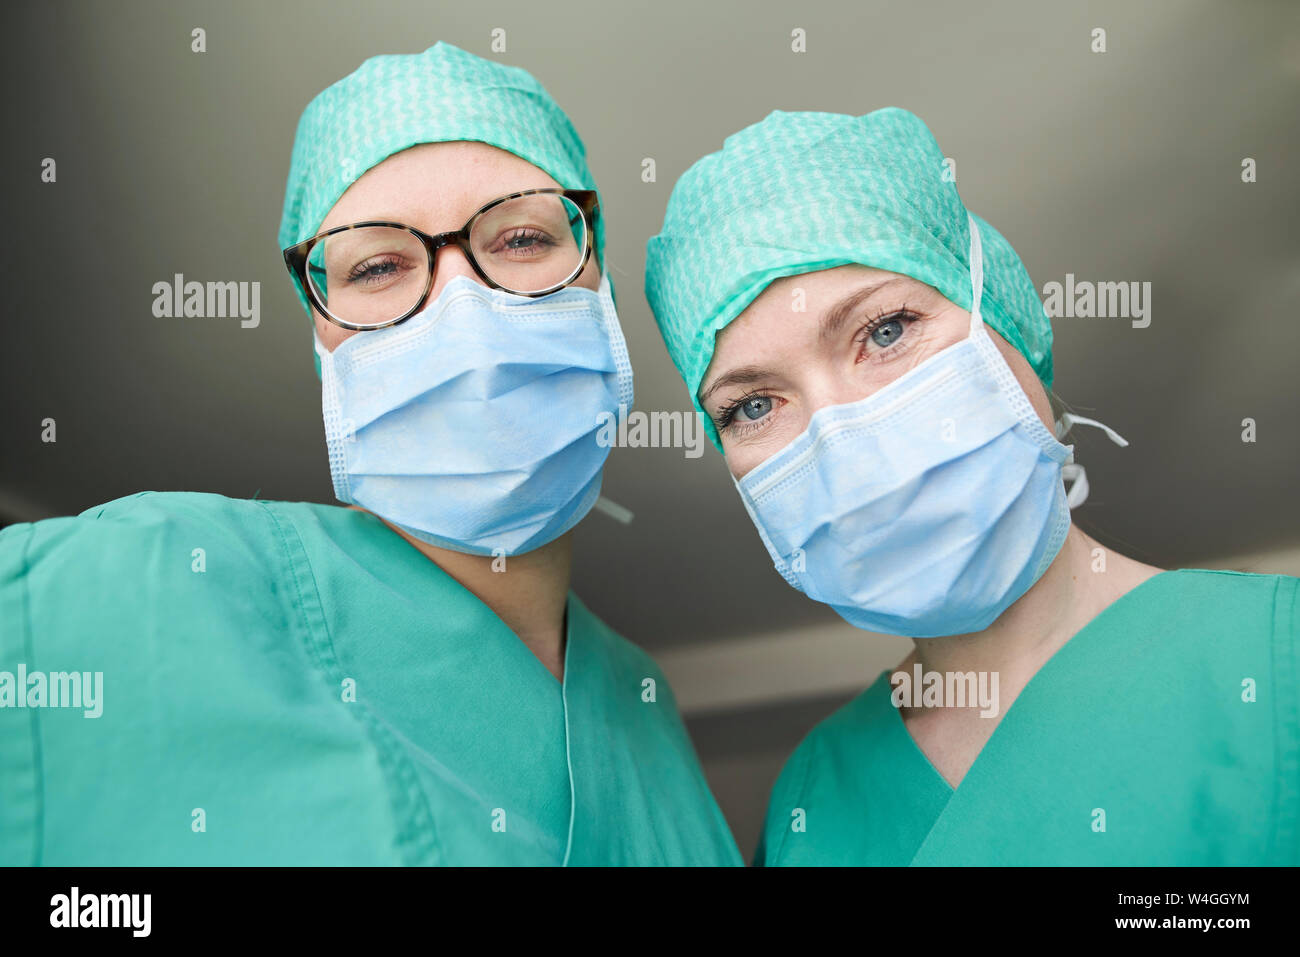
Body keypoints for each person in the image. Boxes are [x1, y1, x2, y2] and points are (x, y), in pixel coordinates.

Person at [0, 42, 741, 867]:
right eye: (381, 265)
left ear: (596, 275)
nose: (465, 310)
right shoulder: (147, 578)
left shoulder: (647, 721)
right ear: (324, 342)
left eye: (523, 238)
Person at [644, 107, 1298, 865]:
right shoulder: (814, 801)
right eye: (752, 406)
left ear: (1007, 316)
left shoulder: (1270, 662)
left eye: (885, 330)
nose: (842, 439)